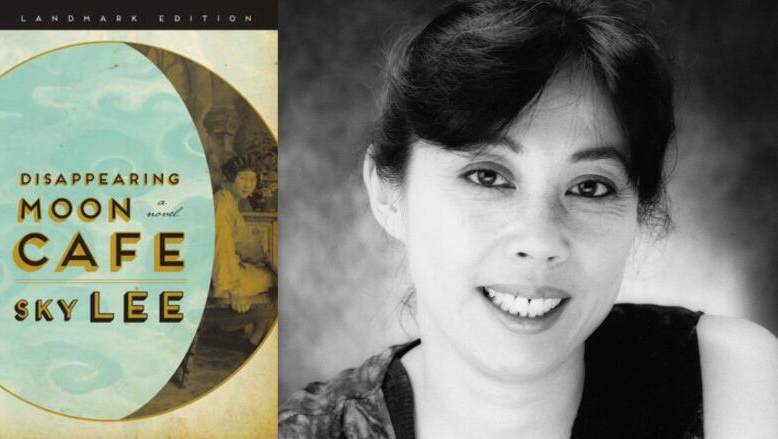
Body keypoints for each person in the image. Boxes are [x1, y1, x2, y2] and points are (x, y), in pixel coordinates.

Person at [279, 0, 778, 437]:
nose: (540, 240)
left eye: (590, 187)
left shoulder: (731, 386)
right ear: (389, 194)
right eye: (488, 177)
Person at [212, 154, 275, 345]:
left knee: (272, 277)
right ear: (230, 179)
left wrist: (266, 262)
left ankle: (256, 334)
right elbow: (221, 246)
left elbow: (247, 245)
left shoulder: (231, 204)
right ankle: (254, 334)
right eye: (242, 178)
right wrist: (231, 289)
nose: (248, 184)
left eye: (252, 179)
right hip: (213, 275)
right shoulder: (221, 203)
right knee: (270, 281)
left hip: (226, 269)